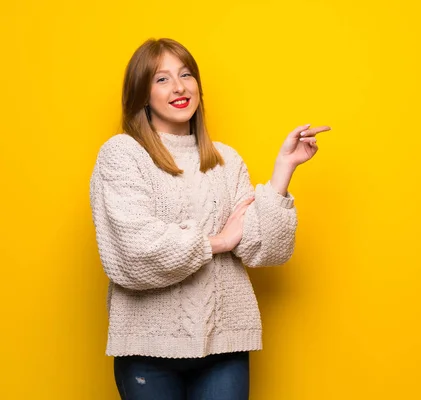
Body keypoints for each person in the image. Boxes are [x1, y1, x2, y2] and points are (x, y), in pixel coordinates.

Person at [89, 37, 330, 400]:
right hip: (147, 350)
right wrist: (216, 242)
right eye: (162, 79)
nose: (180, 87)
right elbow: (133, 253)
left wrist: (284, 169)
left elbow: (263, 248)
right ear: (142, 94)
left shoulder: (225, 160)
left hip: (225, 345)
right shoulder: (123, 154)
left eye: (186, 75)